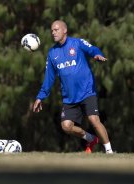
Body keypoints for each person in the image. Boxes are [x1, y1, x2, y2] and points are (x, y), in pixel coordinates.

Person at [32, 20, 113, 154]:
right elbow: (49, 78)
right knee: (66, 126)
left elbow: (92, 49)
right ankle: (91, 139)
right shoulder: (52, 53)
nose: (53, 32)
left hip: (87, 91)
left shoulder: (77, 43)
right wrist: (40, 97)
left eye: (56, 30)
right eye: (52, 30)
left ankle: (109, 151)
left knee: (94, 119)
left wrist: (97, 54)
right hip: (69, 96)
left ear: (65, 30)